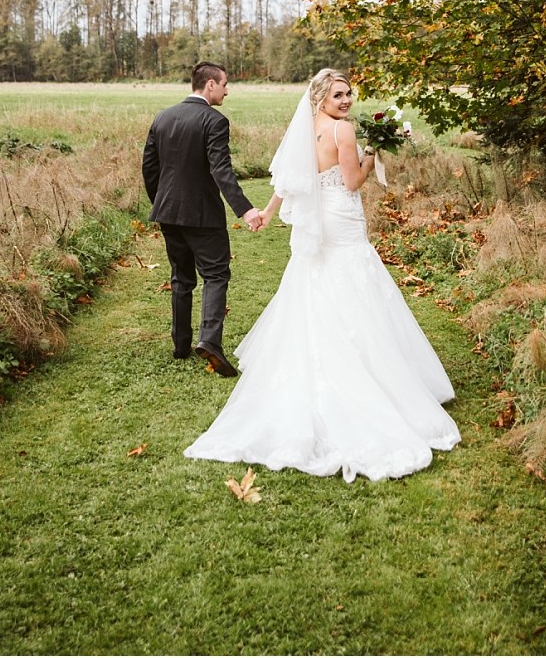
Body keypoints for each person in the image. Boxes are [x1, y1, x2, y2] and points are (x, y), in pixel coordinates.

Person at [184, 68, 461, 481]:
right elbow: (351, 183)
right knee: (355, 286)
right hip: (341, 220)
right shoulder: (343, 131)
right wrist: (372, 155)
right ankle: (373, 380)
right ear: (321, 98)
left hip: (319, 221)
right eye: (338, 95)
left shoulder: (307, 127)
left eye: (349, 94)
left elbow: (291, 178)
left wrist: (268, 211)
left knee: (316, 287)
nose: (346, 101)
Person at [142, 61, 262, 377]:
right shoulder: (215, 121)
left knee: (181, 277)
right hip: (202, 215)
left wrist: (162, 203)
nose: (227, 90)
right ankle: (209, 342)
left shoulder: (162, 117)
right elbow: (220, 170)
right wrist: (246, 210)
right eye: (224, 84)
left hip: (168, 212)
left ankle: (180, 345)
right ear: (210, 85)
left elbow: (149, 169)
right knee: (216, 274)